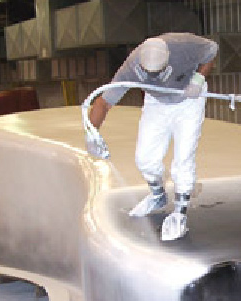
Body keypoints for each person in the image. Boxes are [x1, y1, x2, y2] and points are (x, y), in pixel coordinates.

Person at [86, 33, 218, 240]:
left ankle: (180, 213)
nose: (156, 76)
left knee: (183, 158)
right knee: (145, 159)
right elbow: (104, 102)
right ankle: (158, 196)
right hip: (156, 102)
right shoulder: (131, 68)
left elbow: (211, 52)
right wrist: (91, 133)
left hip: (189, 100)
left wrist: (198, 79)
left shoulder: (185, 46)